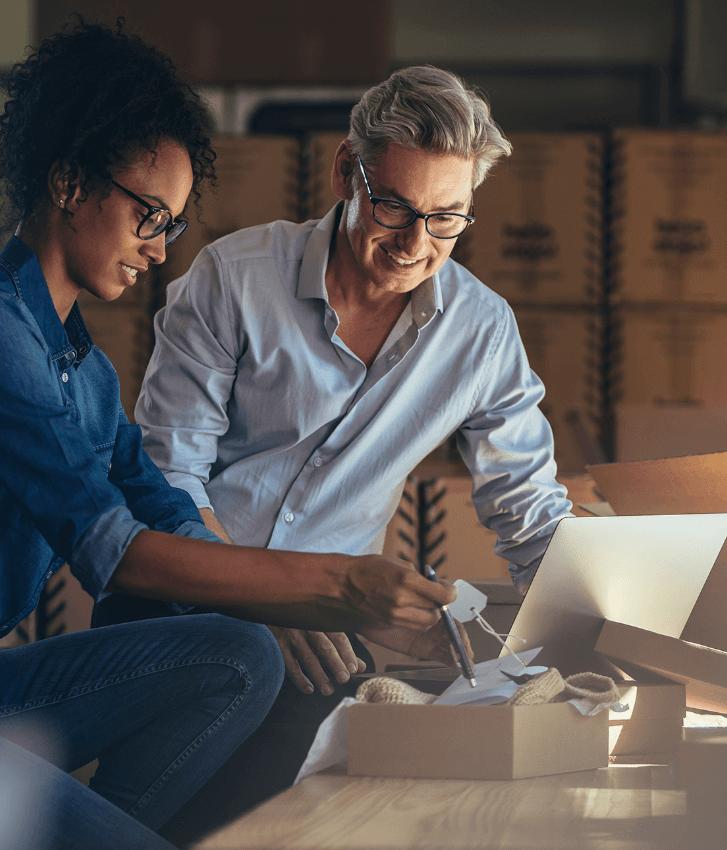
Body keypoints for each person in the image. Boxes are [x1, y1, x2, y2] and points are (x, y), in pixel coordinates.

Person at [0, 24, 456, 850]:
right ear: (67, 182)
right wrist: (340, 585)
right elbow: (114, 552)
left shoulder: (81, 370)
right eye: (148, 215)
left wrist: (300, 606)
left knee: (244, 654)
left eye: (171, 225)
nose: (160, 252)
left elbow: (164, 508)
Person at [104, 65, 574, 843]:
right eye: (393, 206)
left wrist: (607, 622)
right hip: (182, 603)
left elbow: (529, 514)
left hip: (325, 634)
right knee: (148, 827)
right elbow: (166, 480)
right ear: (344, 174)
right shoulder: (233, 279)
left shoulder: (482, 332)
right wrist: (266, 595)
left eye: (448, 218)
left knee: (287, 829)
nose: (416, 244)